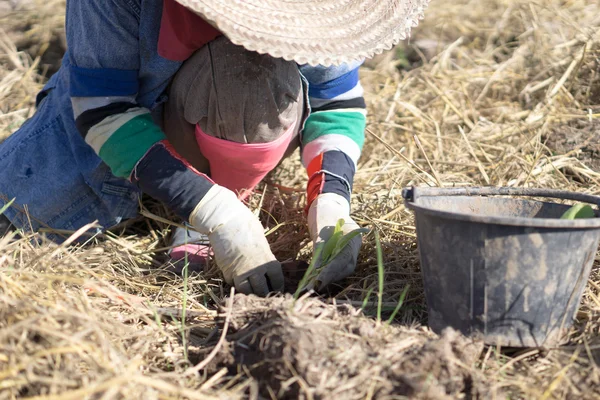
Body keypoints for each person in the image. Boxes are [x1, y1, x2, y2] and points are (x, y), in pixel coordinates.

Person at [0, 0, 430, 296]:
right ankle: (201, 207)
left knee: (245, 74)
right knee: (12, 221)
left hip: (235, 118)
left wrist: (331, 201)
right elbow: (102, 106)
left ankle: (230, 182)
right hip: (103, 142)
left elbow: (336, 100)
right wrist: (215, 214)